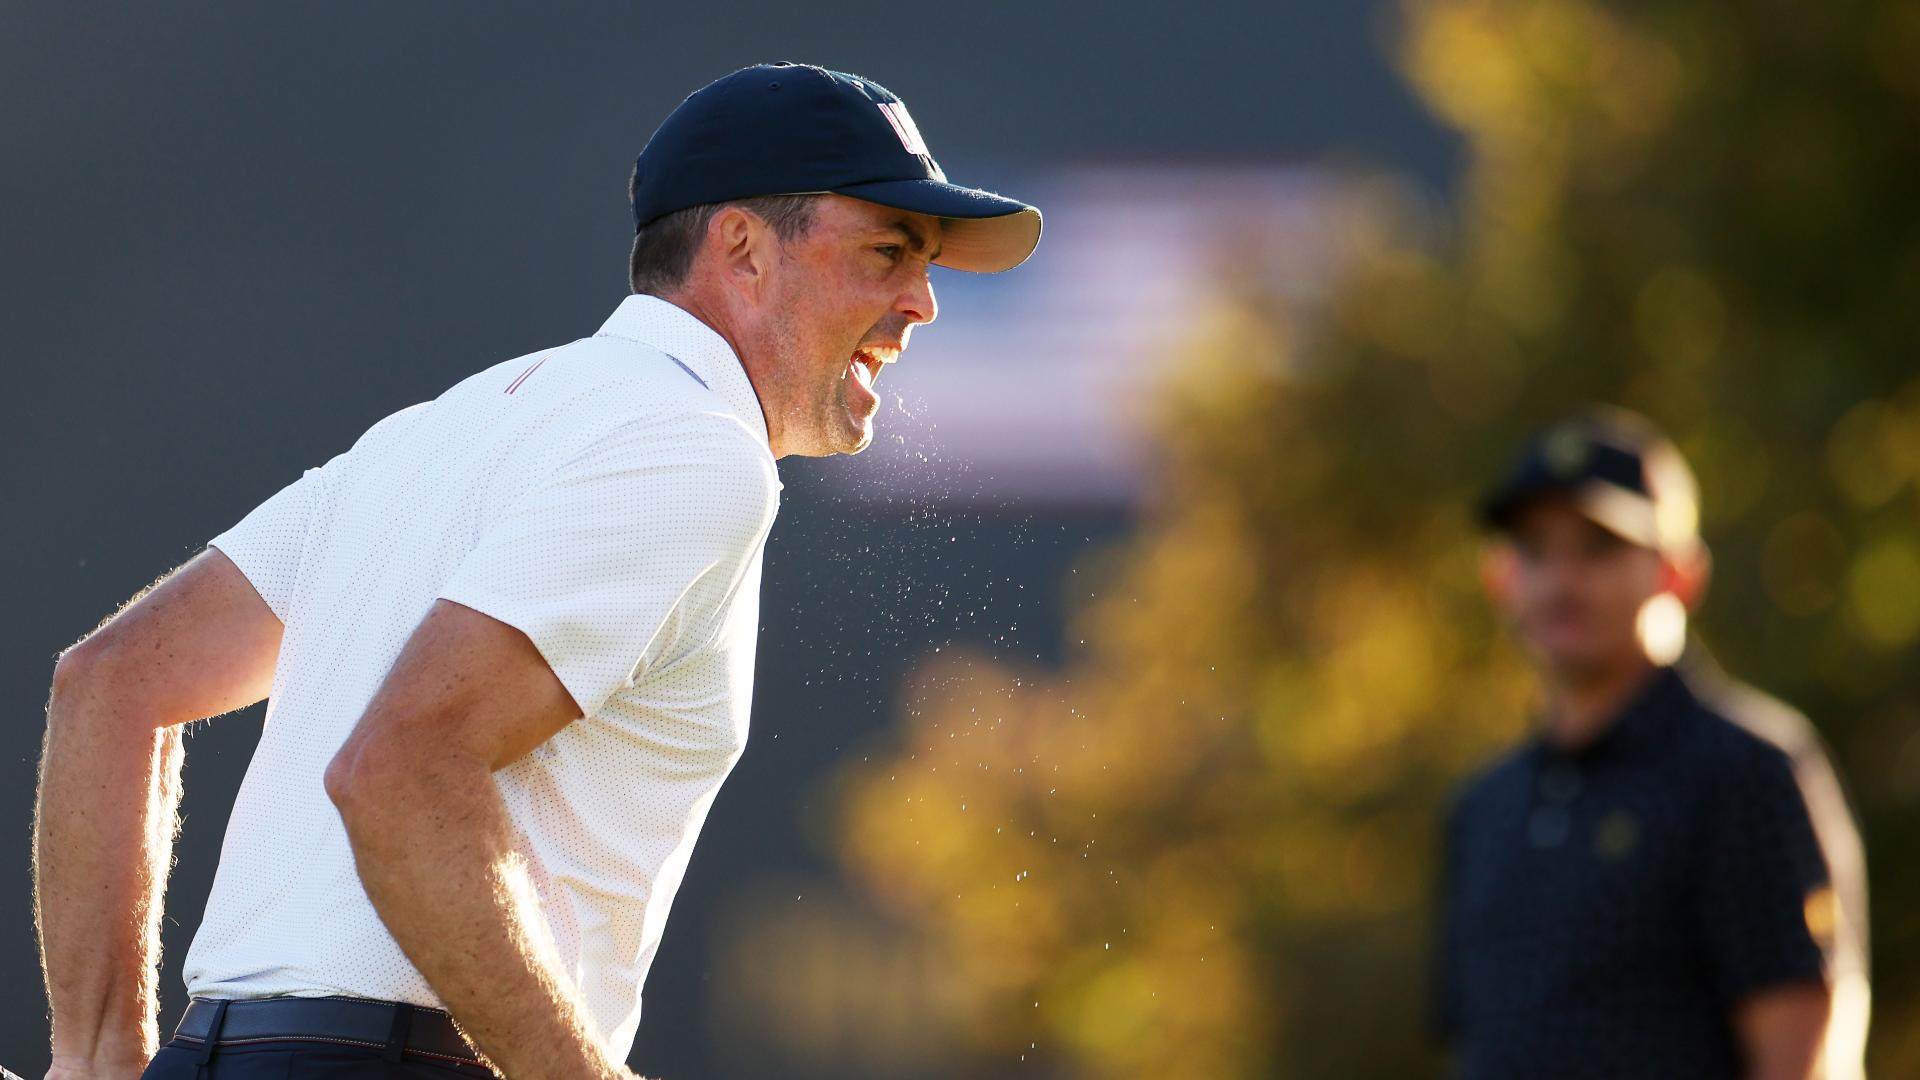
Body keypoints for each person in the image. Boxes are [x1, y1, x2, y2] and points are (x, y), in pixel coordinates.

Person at [34, 62, 1042, 1080]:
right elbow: (397, 771)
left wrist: (96, 1060)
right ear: (741, 247)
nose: (922, 303)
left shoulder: (442, 428)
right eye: (887, 251)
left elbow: (109, 684)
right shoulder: (696, 444)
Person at [1433, 408, 1869, 1080]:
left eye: (1598, 549)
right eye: (1533, 549)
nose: (1560, 582)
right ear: (1499, 577)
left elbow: (1807, 1053)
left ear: (1679, 575)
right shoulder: (1482, 809)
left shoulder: (1745, 772)